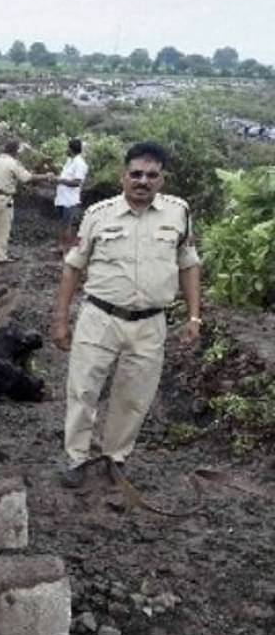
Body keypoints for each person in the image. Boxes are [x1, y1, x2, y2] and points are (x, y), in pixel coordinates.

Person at [51, 141, 202, 488]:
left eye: (152, 175)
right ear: (123, 176)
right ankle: (76, 458)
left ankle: (115, 458)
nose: (143, 181)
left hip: (151, 323)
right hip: (100, 318)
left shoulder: (179, 212)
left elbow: (189, 265)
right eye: (136, 174)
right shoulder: (97, 214)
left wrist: (194, 317)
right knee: (83, 389)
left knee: (134, 396)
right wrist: (60, 319)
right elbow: (73, 268)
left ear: (162, 180)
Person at [54, 138, 88, 251]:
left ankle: (66, 248)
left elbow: (77, 182)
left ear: (71, 149)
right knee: (61, 223)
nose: (66, 149)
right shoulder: (70, 161)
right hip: (62, 198)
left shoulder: (80, 164)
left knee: (67, 224)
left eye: (67, 147)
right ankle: (60, 246)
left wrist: (59, 180)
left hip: (70, 200)